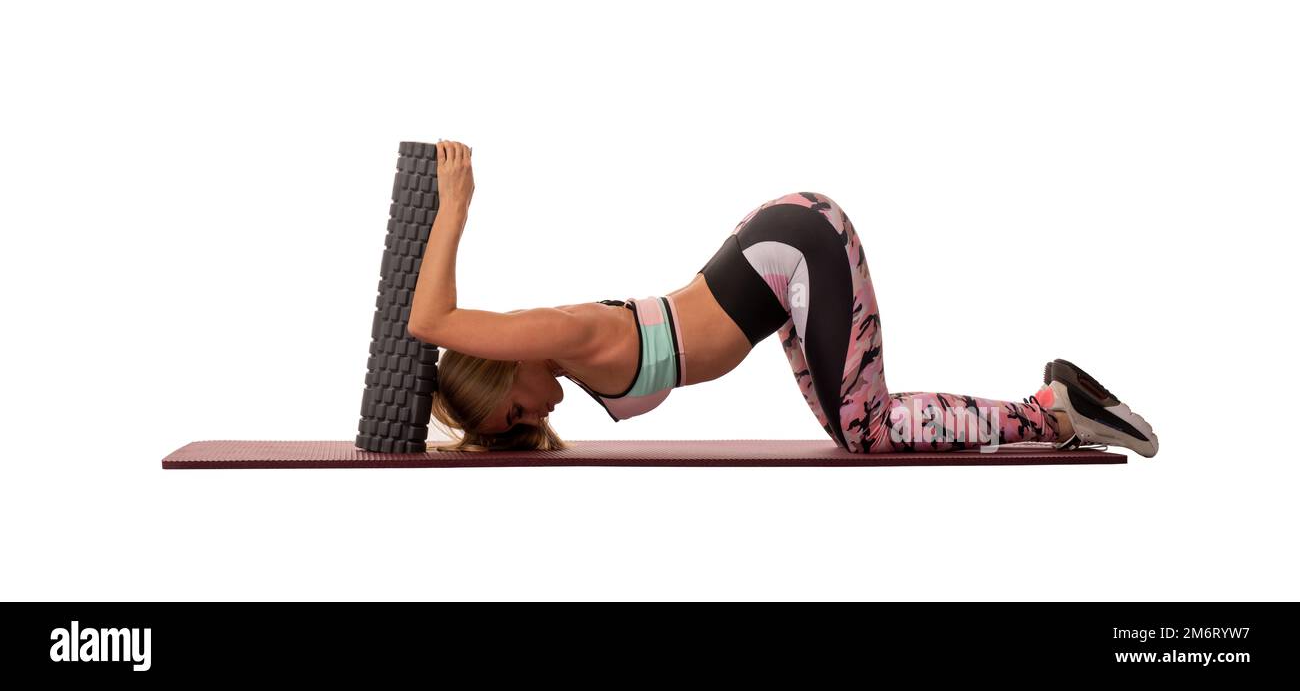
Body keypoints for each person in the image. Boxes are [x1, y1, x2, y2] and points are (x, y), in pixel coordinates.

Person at [410, 140, 1159, 458]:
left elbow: (430, 320)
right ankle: (1053, 408)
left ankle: (1057, 411)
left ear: (503, 368)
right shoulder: (565, 359)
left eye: (513, 412)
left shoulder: (559, 333)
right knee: (857, 429)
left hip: (794, 251)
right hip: (778, 271)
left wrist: (454, 203)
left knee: (866, 429)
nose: (531, 420)